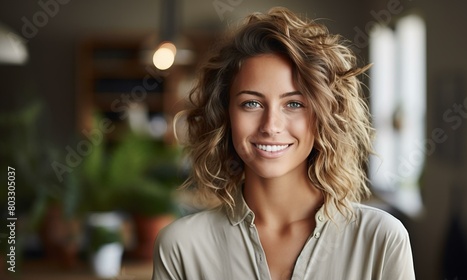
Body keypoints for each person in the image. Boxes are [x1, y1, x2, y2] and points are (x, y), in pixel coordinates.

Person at [152, 7, 415, 280]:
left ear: (323, 115)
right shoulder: (181, 247)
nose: (271, 126)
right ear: (225, 115)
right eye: (251, 103)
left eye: (294, 104)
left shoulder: (381, 239)